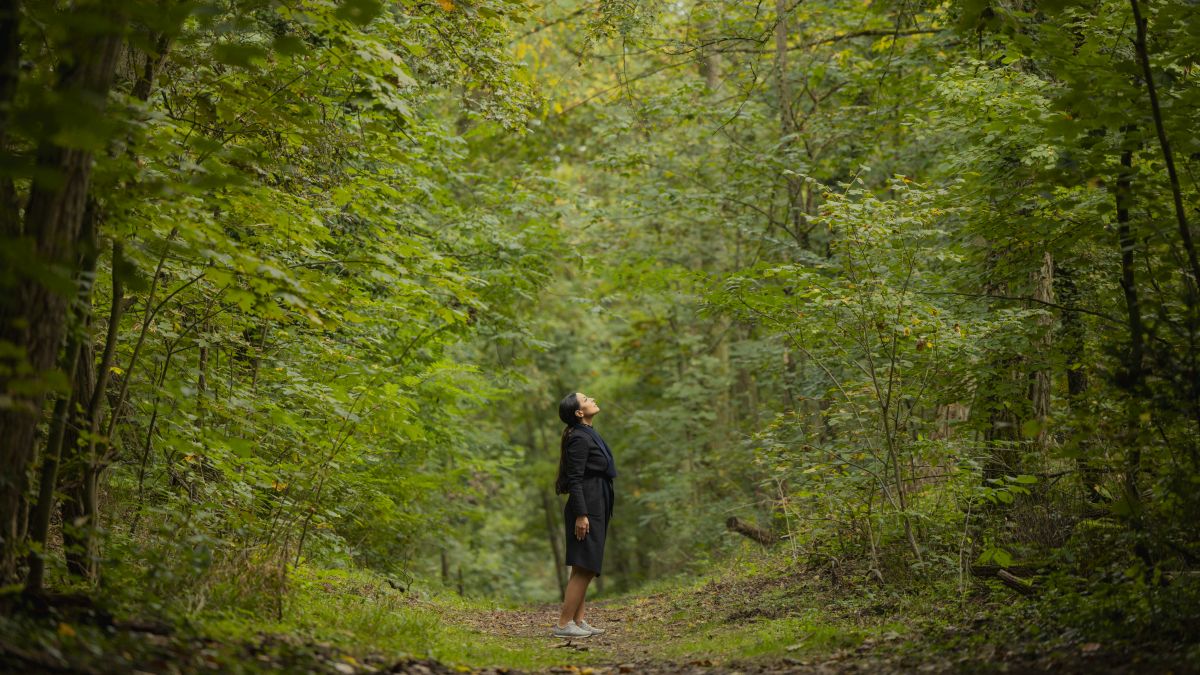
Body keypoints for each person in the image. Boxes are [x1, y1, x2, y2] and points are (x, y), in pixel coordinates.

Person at [551, 391, 617, 638]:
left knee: (585, 565)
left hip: (596, 501)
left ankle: (578, 621)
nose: (593, 400)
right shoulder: (578, 437)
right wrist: (581, 514)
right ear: (579, 413)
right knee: (584, 566)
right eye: (587, 399)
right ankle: (563, 624)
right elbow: (575, 479)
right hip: (587, 505)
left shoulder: (588, 433)